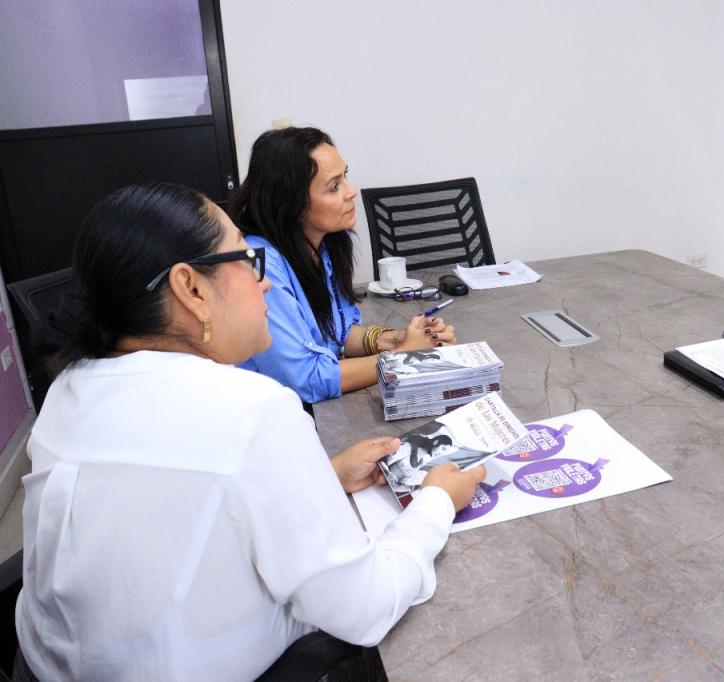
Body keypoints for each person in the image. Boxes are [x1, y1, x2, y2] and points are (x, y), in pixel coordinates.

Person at [15, 183, 485, 681]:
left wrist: (320, 476)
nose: (264, 285)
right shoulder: (250, 410)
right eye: (247, 260)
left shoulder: (69, 387)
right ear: (191, 288)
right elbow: (366, 606)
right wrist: (436, 502)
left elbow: (171, 501)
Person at [229, 126, 457, 403]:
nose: (352, 191)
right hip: (274, 413)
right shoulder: (261, 266)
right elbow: (307, 380)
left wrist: (401, 339)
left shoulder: (324, 242)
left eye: (345, 176)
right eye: (334, 187)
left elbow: (339, 334)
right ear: (292, 202)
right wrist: (402, 356)